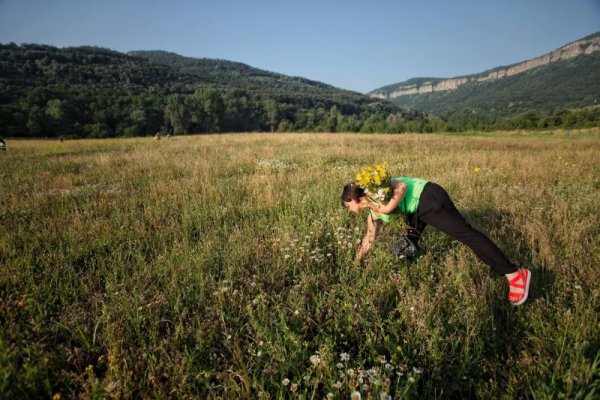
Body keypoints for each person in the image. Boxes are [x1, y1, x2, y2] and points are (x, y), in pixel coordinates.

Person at [341, 177, 531, 305]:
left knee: (467, 235)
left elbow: (401, 186)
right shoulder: (373, 214)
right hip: (416, 213)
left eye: (348, 206)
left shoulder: (379, 188)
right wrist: (356, 263)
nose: (349, 211)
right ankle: (411, 285)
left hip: (429, 198)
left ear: (354, 200)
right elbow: (369, 240)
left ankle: (514, 274)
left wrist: (386, 208)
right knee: (403, 248)